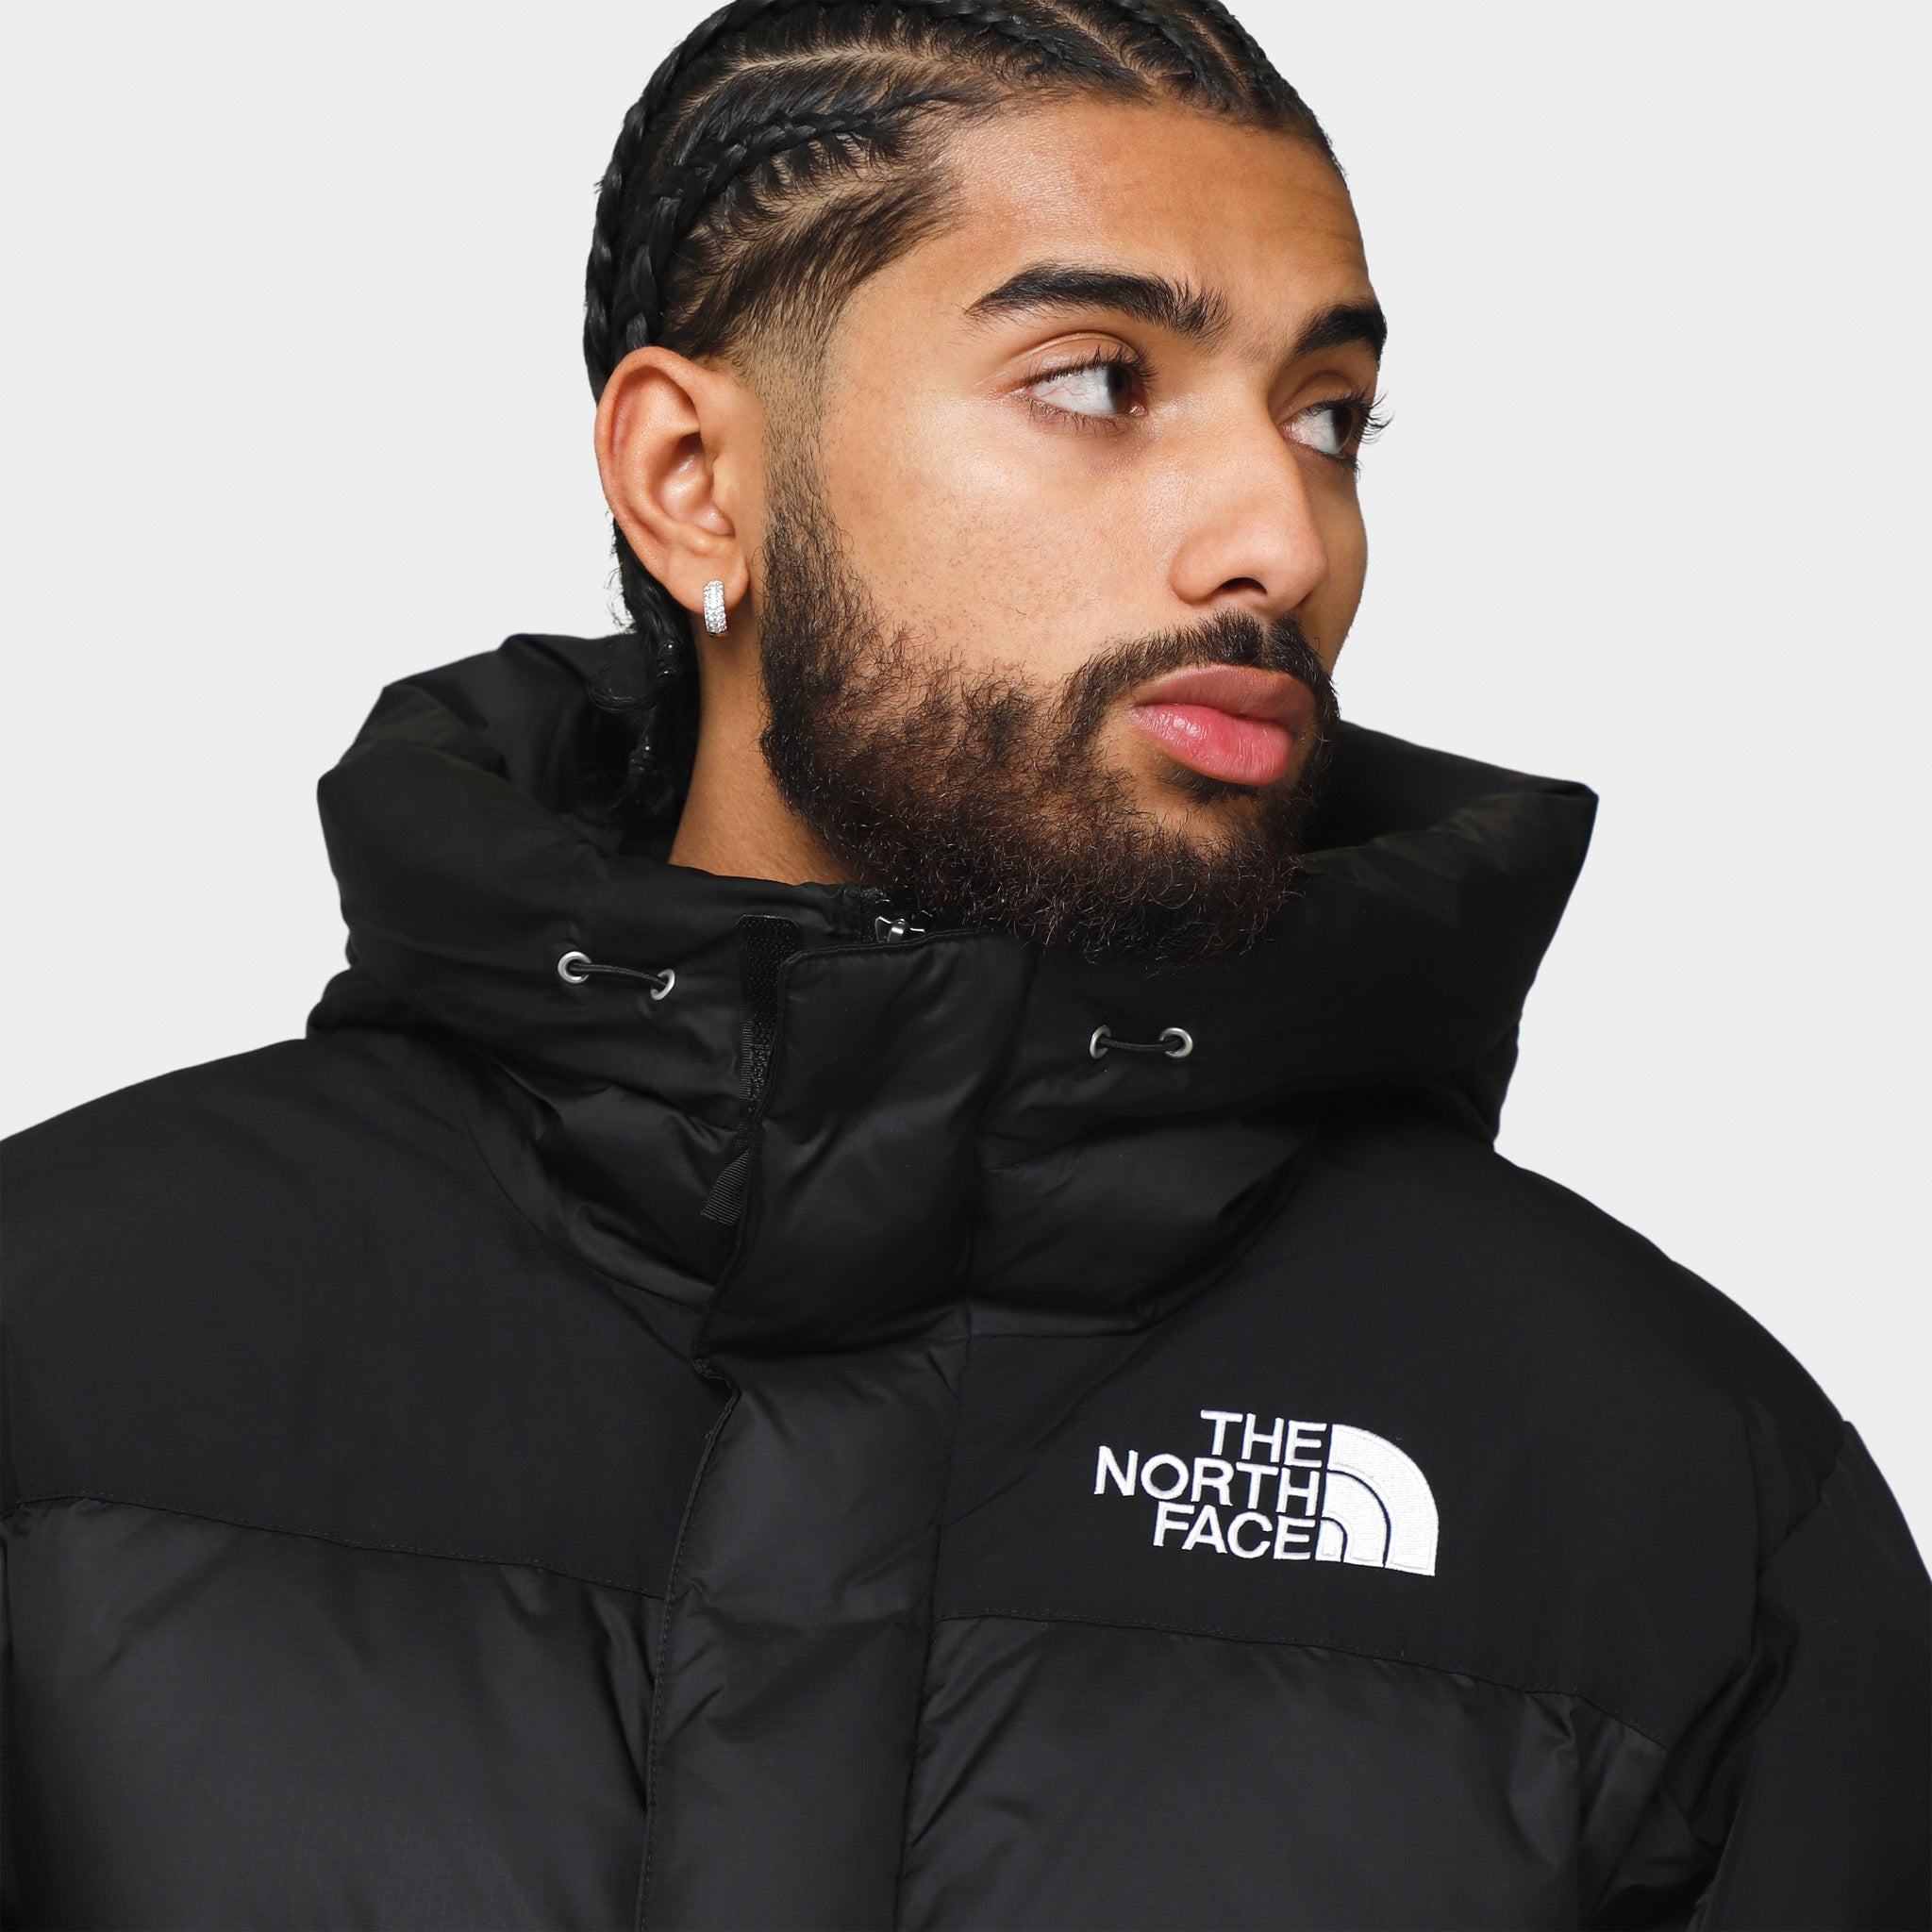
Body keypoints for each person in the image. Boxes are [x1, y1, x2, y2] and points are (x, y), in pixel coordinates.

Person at [3, 0, 1925, 1924]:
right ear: (691, 474)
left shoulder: (1660, 1498)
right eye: (1097, 382)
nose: (1280, 534)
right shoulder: (68, 1348)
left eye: (1328, 417)